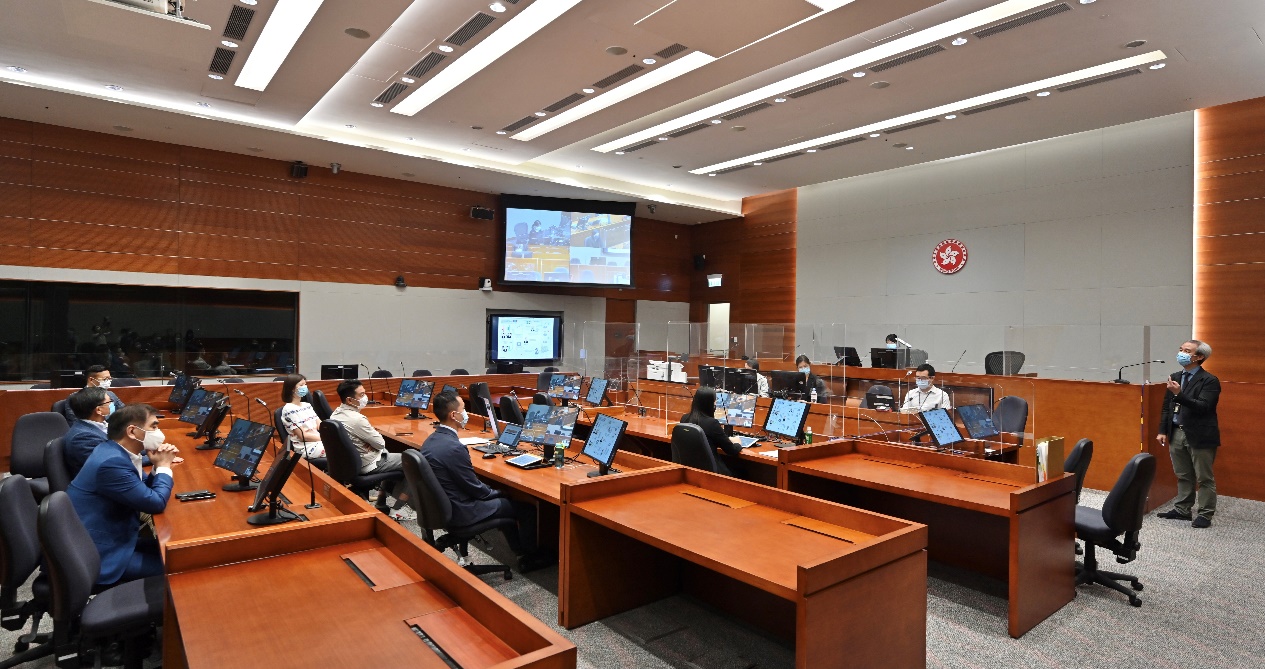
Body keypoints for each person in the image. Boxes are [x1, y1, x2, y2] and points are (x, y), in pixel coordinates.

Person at [421, 391, 543, 570]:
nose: (466, 413)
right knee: (526, 509)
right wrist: (498, 492)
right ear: (454, 415)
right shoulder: (454, 448)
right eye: (463, 409)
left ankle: (519, 549)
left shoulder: (431, 440)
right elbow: (476, 489)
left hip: (443, 506)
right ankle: (528, 557)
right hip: (462, 510)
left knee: (504, 498)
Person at [67, 404, 179, 586]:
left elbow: (141, 491)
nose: (158, 432)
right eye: (154, 426)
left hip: (119, 537)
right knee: (183, 567)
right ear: (133, 431)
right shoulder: (111, 464)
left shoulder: (113, 451)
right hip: (101, 555)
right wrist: (164, 467)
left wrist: (157, 466)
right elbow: (155, 502)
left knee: (182, 552)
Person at [1156, 340, 1221, 528]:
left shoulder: (1209, 380)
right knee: (1183, 474)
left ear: (1199, 357)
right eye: (1180, 349)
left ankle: (1205, 514)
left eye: (1187, 351)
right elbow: (1167, 407)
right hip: (1176, 432)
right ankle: (1182, 509)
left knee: (1204, 477)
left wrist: (1179, 394)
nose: (1181, 353)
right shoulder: (1175, 376)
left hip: (1200, 434)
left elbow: (1204, 406)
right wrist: (1162, 431)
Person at [328, 380, 413, 521]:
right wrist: (371, 442)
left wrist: (368, 441)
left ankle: (381, 501)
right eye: (361, 395)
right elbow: (380, 443)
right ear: (350, 399)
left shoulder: (335, 414)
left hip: (349, 464)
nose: (365, 397)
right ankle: (398, 509)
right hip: (367, 463)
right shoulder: (357, 420)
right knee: (413, 460)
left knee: (391, 453)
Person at [679, 386, 744, 478]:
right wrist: (737, 443)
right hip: (712, 475)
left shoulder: (684, 418)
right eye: (715, 402)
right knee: (744, 472)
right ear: (711, 405)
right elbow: (732, 451)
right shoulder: (712, 423)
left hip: (691, 472)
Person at [63, 386, 113, 478]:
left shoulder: (103, 424)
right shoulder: (82, 437)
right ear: (99, 410)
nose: (113, 405)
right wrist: (145, 458)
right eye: (110, 402)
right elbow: (111, 465)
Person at [280, 374, 324, 457]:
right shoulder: (289, 410)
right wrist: (325, 439)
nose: (305, 387)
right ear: (292, 389)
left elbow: (320, 425)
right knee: (338, 449)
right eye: (301, 385)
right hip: (306, 447)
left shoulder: (307, 405)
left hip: (318, 441)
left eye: (305, 384)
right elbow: (303, 436)